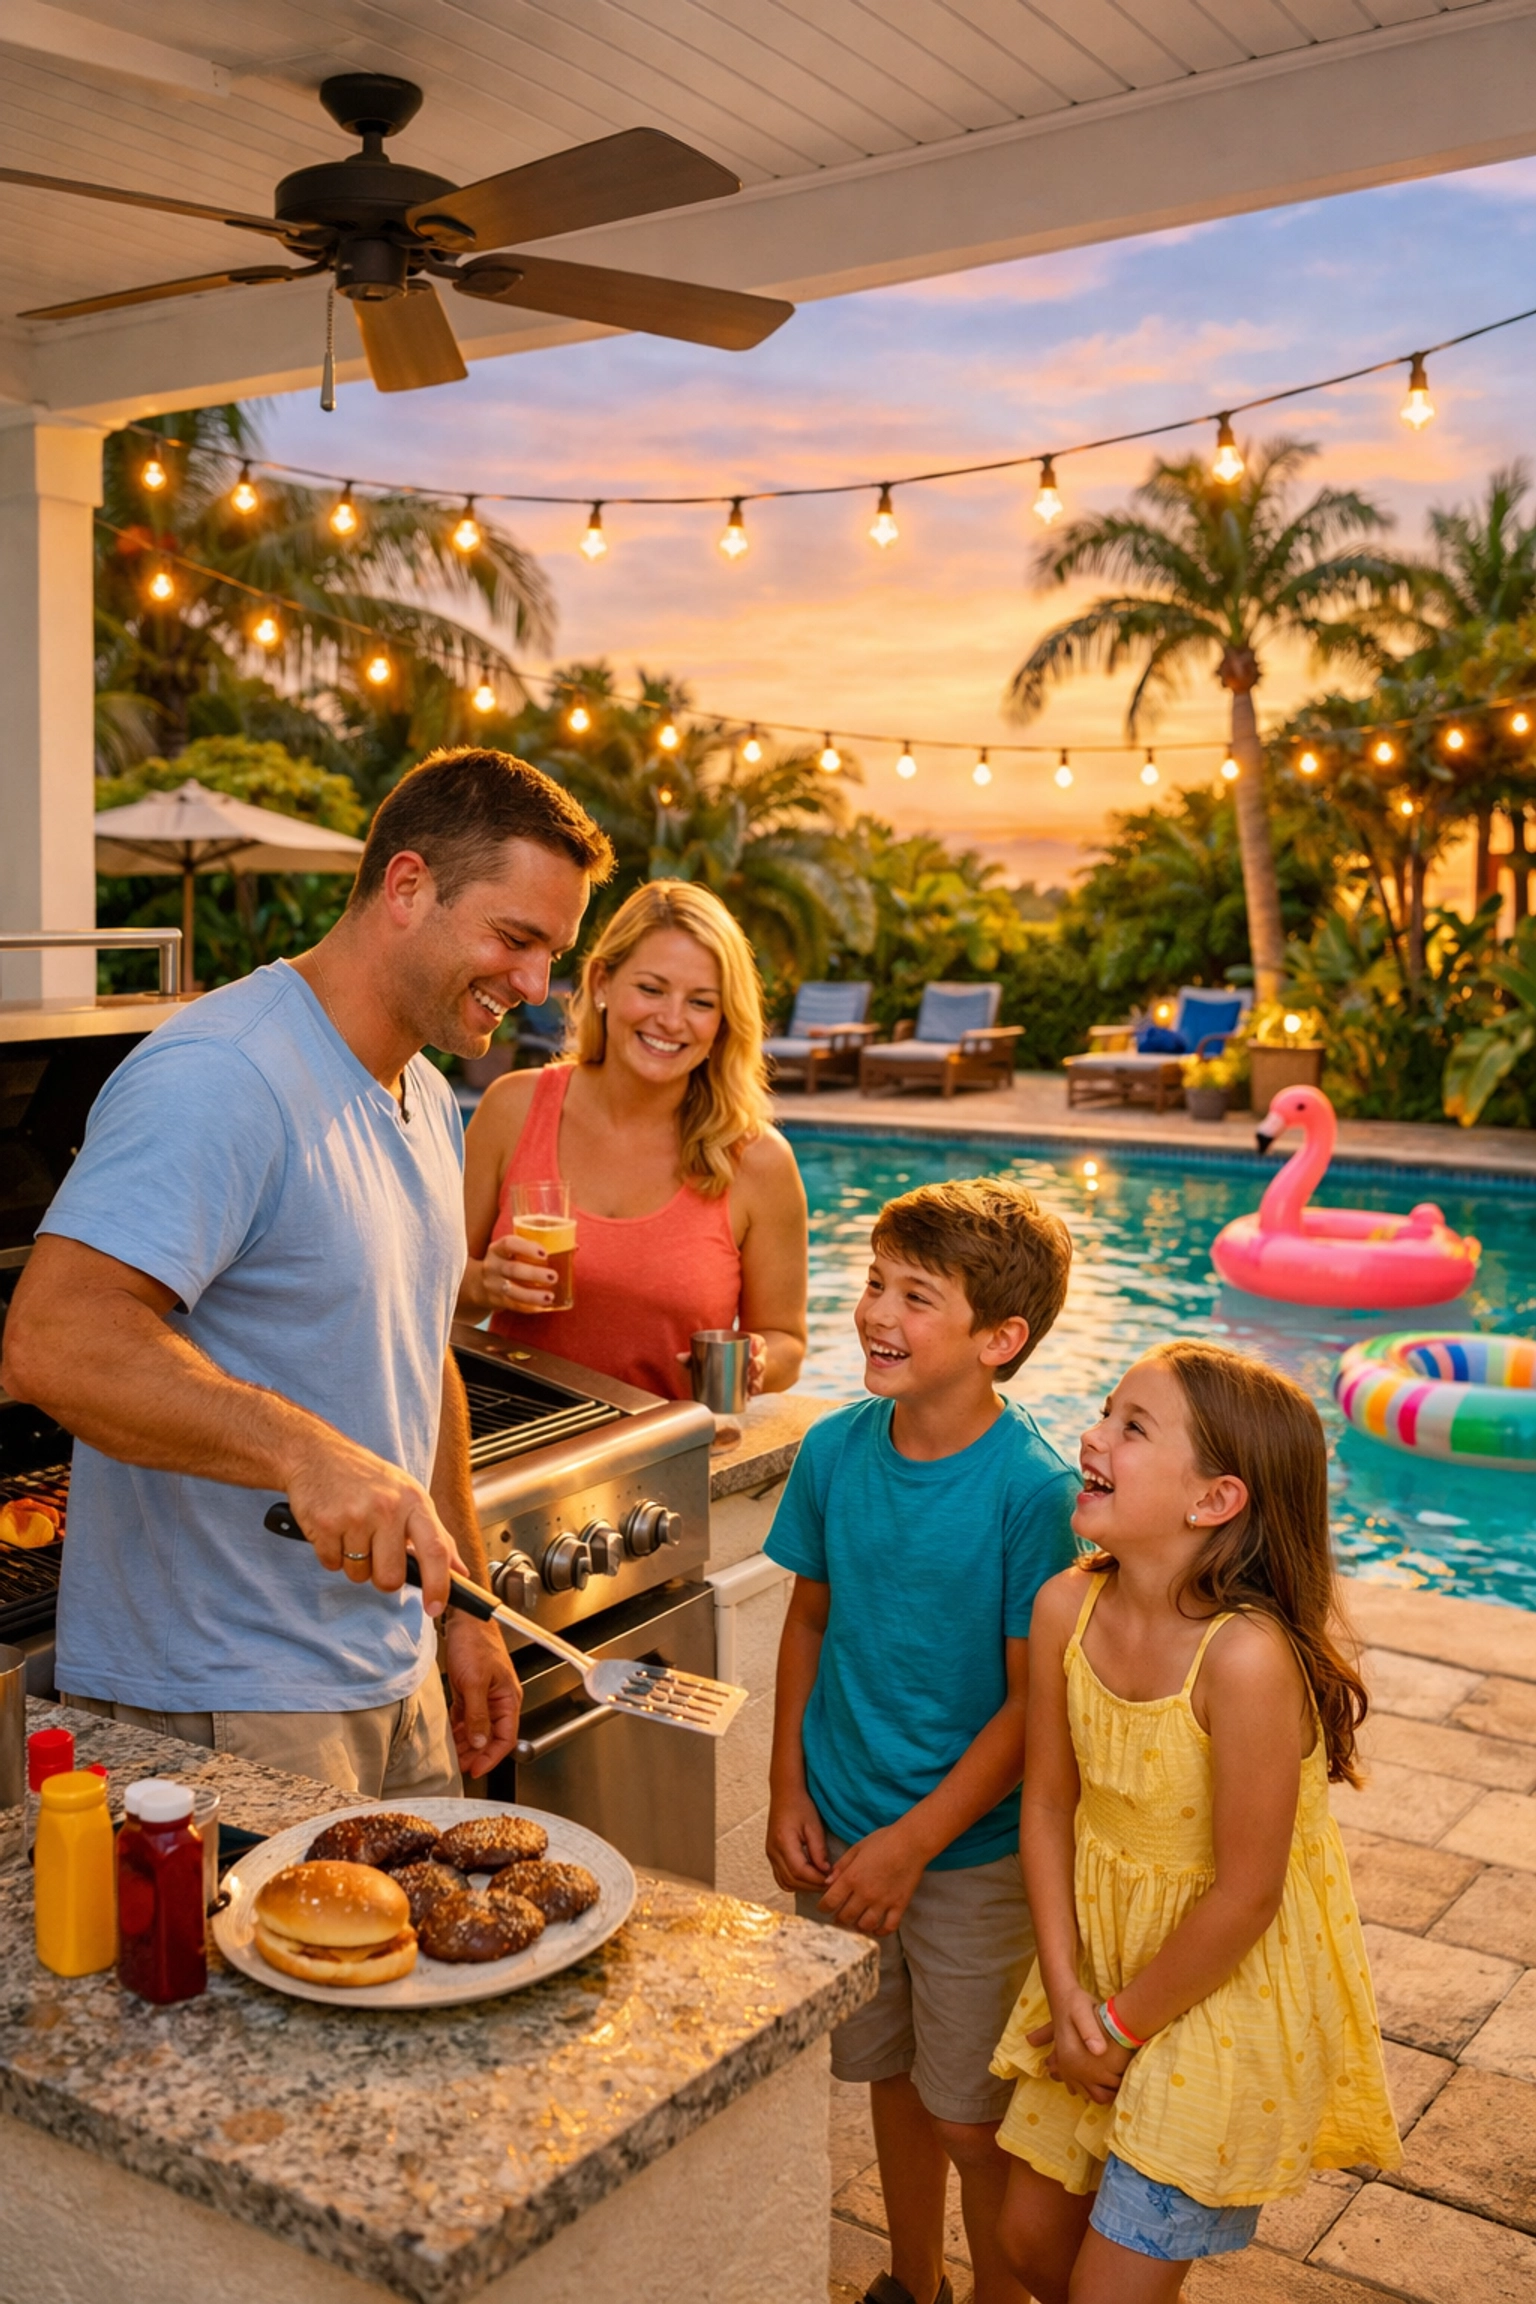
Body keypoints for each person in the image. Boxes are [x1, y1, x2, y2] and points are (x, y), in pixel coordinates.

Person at [2, 748, 613, 1797]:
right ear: (408, 887)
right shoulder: (223, 1075)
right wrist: (304, 1452)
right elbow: (52, 1342)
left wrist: (461, 1611)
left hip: (390, 1673)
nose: (535, 986)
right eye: (515, 940)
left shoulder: (424, 1092)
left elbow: (421, 1358)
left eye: (549, 953)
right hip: (219, 1696)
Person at [992, 1342, 1402, 2304]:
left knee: (1110, 2290)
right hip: (1095, 1967)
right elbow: (1049, 1804)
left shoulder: (1245, 1662)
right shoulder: (1065, 1607)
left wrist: (1123, 2028)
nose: (1092, 1436)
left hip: (1217, 1992)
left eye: (1132, 1428)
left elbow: (1248, 1894)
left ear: (1215, 1500)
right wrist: (1068, 1988)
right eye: (1105, 1411)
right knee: (1025, 2246)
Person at [764, 1178, 1078, 2304]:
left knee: (966, 2109)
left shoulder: (1032, 1492)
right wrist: (785, 1787)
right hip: (842, 1831)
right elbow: (810, 1617)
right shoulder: (835, 1450)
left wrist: (914, 1844)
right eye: (873, 1283)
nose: (875, 1314)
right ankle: (913, 2284)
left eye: (915, 1296)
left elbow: (1031, 1706)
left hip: (968, 1860)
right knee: (888, 2078)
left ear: (1001, 1339)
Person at [459, 879, 807, 1404]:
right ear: (602, 982)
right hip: (512, 1446)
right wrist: (487, 1283)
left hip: (661, 1467)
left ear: (723, 1020)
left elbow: (787, 1343)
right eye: (651, 989)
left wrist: (755, 1362)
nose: (670, 1020)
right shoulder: (512, 1109)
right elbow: (431, 1287)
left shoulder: (760, 1162)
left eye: (701, 1002)